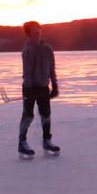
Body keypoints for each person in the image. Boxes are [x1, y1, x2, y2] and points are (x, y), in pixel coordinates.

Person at [18, 21, 60, 158]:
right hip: (30, 87)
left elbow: (51, 69)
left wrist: (55, 85)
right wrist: (29, 89)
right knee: (28, 116)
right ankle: (22, 142)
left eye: (39, 29)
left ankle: (47, 140)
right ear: (28, 34)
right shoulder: (27, 50)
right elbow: (27, 72)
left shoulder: (48, 49)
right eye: (34, 30)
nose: (37, 32)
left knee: (46, 115)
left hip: (43, 87)